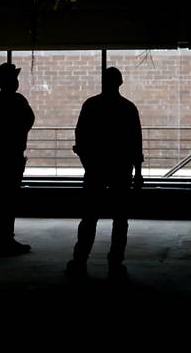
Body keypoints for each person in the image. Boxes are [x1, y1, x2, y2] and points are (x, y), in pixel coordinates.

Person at [66, 66, 144, 281]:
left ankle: (80, 259)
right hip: (120, 168)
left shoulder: (91, 105)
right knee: (120, 218)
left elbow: (80, 138)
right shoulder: (128, 108)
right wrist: (138, 173)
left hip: (96, 168)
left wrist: (88, 165)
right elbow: (136, 143)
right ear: (120, 82)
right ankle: (115, 262)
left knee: (90, 217)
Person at [0, 62, 35, 257]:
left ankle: (0, 240)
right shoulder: (19, 101)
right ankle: (6, 239)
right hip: (13, 156)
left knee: (1, 199)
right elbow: (30, 120)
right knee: (9, 199)